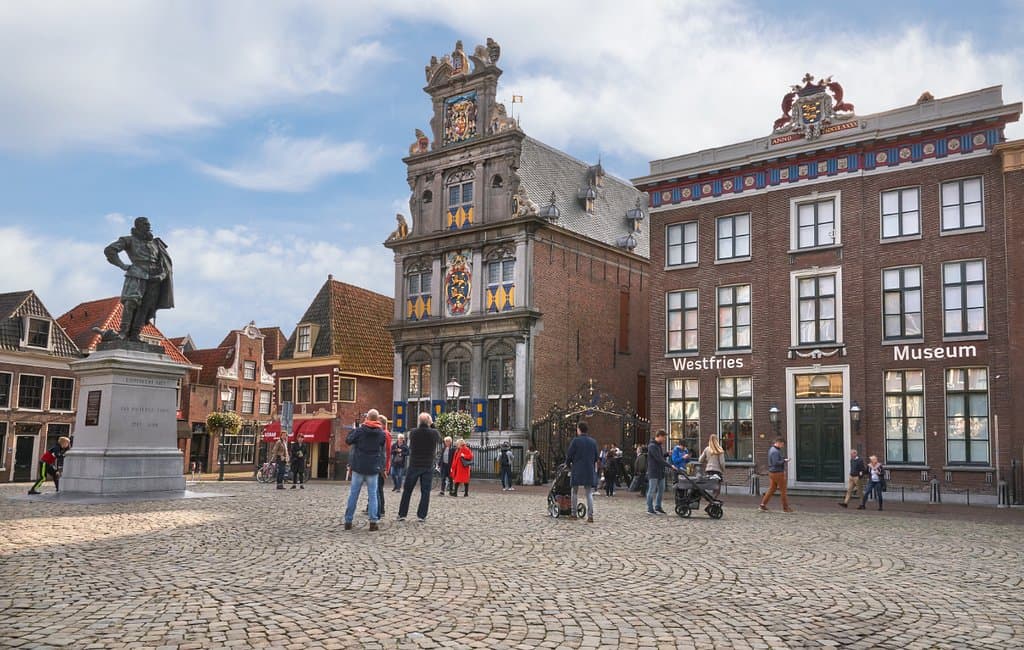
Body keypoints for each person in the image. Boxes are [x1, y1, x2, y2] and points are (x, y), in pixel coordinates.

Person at [102, 216, 174, 342]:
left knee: (146, 307)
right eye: (145, 224)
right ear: (138, 226)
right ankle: (123, 333)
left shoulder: (156, 243)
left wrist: (161, 276)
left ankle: (135, 334)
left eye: (149, 224)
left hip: (154, 279)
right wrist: (122, 265)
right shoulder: (129, 240)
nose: (148, 226)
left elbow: (164, 264)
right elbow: (110, 250)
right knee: (130, 303)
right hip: (137, 274)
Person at [344, 409, 387, 531]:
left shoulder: (360, 431)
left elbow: (348, 440)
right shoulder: (381, 434)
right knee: (373, 495)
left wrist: (355, 429)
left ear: (367, 418)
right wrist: (382, 468)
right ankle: (373, 522)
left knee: (354, 494)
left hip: (358, 467)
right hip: (373, 468)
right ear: (377, 419)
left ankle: (348, 521)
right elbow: (382, 451)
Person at [397, 412, 442, 521]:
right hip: (427, 465)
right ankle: (422, 516)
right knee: (425, 492)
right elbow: (439, 439)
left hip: (414, 464)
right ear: (429, 422)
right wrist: (432, 424)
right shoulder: (434, 433)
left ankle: (402, 514)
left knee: (407, 490)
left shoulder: (413, 432)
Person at [565, 421, 599, 522]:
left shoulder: (576, 441)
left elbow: (569, 455)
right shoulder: (593, 442)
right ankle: (590, 516)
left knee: (574, 491)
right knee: (589, 493)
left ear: (579, 429)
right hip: (589, 469)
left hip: (577, 469)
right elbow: (596, 457)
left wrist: (568, 464)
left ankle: (574, 514)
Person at [759, 438, 793, 513]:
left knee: (772, 489)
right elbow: (775, 463)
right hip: (778, 473)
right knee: (783, 491)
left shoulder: (772, 449)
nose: (782, 446)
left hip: (772, 472)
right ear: (779, 443)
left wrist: (782, 459)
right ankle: (785, 508)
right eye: (782, 444)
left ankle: (762, 505)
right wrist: (784, 461)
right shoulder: (775, 451)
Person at [646, 430, 674, 514]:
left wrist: (667, 454)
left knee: (661, 489)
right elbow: (658, 459)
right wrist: (670, 466)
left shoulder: (658, 446)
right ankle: (650, 508)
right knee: (652, 490)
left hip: (660, 471)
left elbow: (660, 457)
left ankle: (658, 507)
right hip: (654, 471)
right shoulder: (652, 446)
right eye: (664, 437)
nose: (664, 439)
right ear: (659, 436)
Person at [375, 416, 393, 516]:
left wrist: (385, 468)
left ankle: (381, 509)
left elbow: (387, 452)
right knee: (375, 487)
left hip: (381, 465)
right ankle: (371, 506)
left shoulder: (385, 434)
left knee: (378, 488)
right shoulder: (382, 433)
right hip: (380, 464)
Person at [699, 434, 726, 499]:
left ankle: (710, 500)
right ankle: (712, 501)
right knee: (717, 490)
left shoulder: (707, 449)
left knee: (710, 487)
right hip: (717, 471)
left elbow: (700, 460)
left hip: (709, 471)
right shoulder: (719, 449)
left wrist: (707, 459)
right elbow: (722, 463)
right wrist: (723, 470)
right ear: (717, 440)